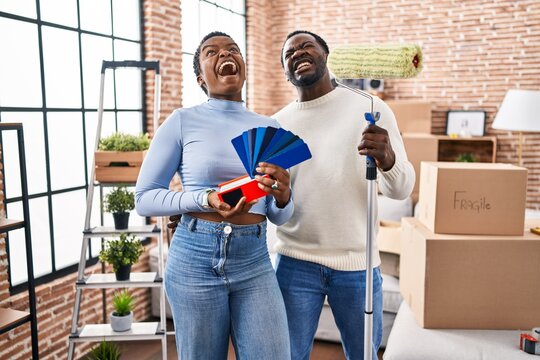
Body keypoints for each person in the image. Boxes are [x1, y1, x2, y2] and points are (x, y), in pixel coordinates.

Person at [135, 31, 293, 360]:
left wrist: (283, 196)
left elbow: (279, 214)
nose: (225, 54)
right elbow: (145, 198)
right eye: (212, 52)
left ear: (243, 65)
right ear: (200, 79)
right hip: (195, 259)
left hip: (254, 259)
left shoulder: (270, 127)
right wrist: (204, 198)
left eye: (232, 49)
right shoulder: (181, 121)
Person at [273, 30, 415, 360]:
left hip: (358, 263)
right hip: (294, 261)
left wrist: (388, 159)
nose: (298, 52)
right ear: (285, 72)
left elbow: (402, 187)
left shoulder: (370, 108)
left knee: (362, 356)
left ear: (326, 55)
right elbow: (277, 201)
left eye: (307, 45)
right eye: (289, 53)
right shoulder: (278, 124)